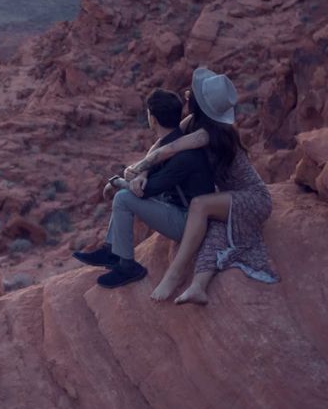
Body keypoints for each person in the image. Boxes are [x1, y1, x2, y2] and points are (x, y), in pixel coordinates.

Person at [125, 68, 278, 305]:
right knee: (212, 237)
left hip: (252, 199)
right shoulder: (195, 122)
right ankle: (198, 287)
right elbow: (159, 144)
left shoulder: (207, 134)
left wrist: (139, 166)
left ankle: (174, 275)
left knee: (199, 205)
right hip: (228, 198)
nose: (187, 95)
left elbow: (170, 149)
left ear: (197, 102)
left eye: (191, 94)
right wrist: (143, 171)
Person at [73, 88, 216, 288]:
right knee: (126, 194)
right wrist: (141, 173)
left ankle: (127, 266)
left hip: (190, 222)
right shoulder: (173, 143)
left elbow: (146, 191)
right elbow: (152, 163)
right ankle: (113, 251)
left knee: (123, 198)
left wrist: (116, 182)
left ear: (153, 119)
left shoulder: (182, 156)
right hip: (181, 208)